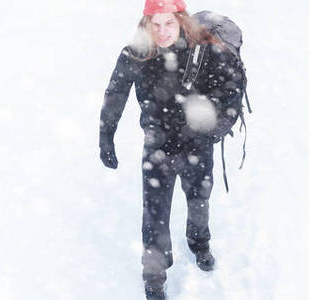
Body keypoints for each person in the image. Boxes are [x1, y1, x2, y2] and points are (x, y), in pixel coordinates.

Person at [98, 0, 246, 299]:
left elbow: (231, 90)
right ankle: (154, 276)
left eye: (169, 23)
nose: (162, 31)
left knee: (199, 200)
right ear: (146, 23)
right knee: (154, 214)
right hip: (158, 147)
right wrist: (106, 134)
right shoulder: (136, 53)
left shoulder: (203, 48)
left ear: (181, 20)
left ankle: (199, 243)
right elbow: (115, 92)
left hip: (197, 145)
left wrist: (213, 130)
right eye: (156, 23)